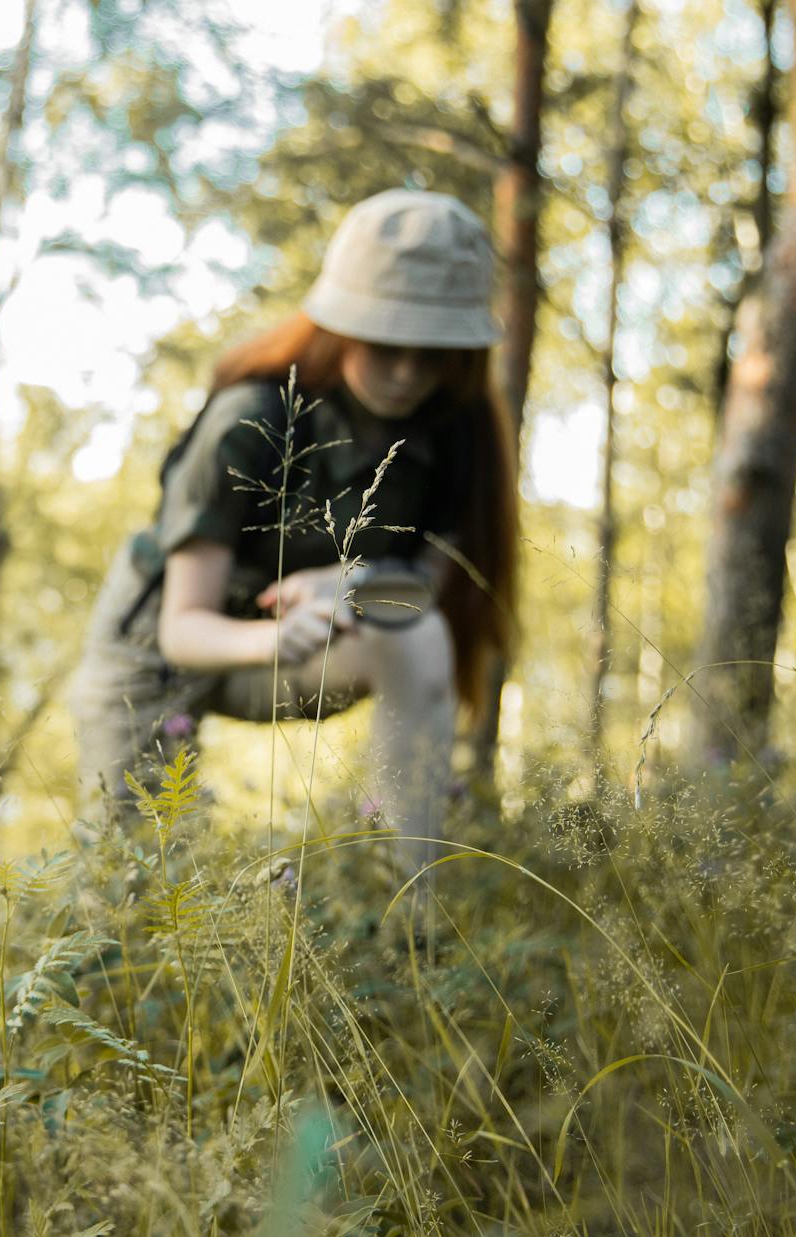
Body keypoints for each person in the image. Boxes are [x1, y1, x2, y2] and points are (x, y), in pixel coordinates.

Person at [69, 189, 519, 903]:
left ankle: (406, 907)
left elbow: (427, 592)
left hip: (310, 643)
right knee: (132, 888)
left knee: (422, 635)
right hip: (158, 651)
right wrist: (272, 638)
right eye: (385, 342)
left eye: (430, 351)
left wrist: (358, 578)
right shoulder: (252, 415)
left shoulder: (452, 432)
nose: (406, 372)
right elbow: (182, 628)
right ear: (339, 324)